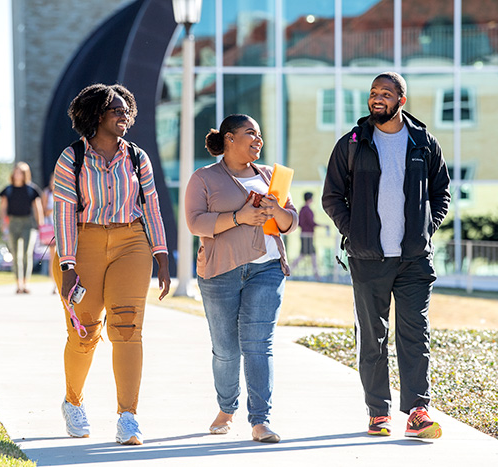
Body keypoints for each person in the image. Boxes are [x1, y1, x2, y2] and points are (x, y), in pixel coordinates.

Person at [322, 72, 451, 439]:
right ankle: (378, 412)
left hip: (413, 259)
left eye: (386, 93)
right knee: (372, 338)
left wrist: (426, 229)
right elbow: (331, 196)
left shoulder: (423, 142)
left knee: (415, 335)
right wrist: (355, 232)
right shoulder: (353, 142)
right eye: (373, 93)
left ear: (401, 100)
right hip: (367, 259)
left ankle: (418, 411)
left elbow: (442, 191)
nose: (377, 98)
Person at [53, 83, 170, 446]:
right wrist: (69, 265)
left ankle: (128, 417)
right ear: (96, 115)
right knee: (85, 332)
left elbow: (151, 205)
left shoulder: (138, 157)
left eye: (126, 110)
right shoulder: (71, 158)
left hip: (131, 242)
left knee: (127, 328)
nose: (124, 116)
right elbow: (63, 213)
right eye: (116, 110)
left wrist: (162, 255)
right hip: (83, 241)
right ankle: (73, 402)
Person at [185, 114, 298, 443]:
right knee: (225, 349)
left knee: (258, 346)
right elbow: (195, 222)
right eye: (250, 133)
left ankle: (260, 421)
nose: (257, 139)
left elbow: (289, 223)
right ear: (229, 139)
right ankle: (226, 407)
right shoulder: (203, 178)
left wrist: (276, 210)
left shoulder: (271, 176)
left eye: (259, 134)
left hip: (267, 268)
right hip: (221, 272)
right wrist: (239, 217)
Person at [0, 161, 44, 294]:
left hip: (28, 223)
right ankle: (18, 284)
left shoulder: (31, 189)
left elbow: (38, 208)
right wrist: (3, 223)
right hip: (13, 222)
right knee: (15, 254)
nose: (18, 174)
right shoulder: (8, 190)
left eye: (21, 172)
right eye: (16, 172)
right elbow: (3, 208)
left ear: (25, 174)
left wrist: (41, 225)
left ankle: (26, 283)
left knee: (26, 253)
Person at [289, 191, 326, 280]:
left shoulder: (303, 210)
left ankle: (317, 276)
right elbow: (310, 223)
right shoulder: (306, 210)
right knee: (303, 254)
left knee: (313, 255)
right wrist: (323, 226)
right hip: (306, 235)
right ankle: (289, 271)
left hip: (307, 235)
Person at [42, 173, 57, 293]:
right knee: (53, 257)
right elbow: (44, 212)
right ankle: (54, 283)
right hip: (51, 227)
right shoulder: (47, 193)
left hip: (61, 226)